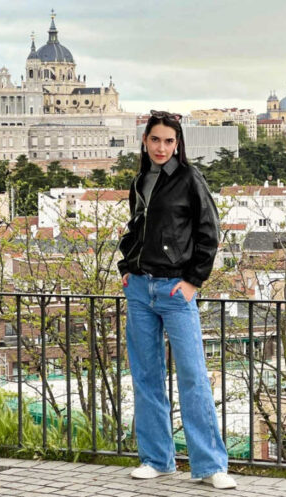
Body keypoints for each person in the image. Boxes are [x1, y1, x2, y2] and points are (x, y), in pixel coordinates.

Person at [117, 111, 236, 489]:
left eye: (169, 141)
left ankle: (211, 465)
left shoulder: (189, 179)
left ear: (178, 144)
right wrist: (126, 264)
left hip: (174, 291)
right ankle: (157, 459)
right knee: (146, 376)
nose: (162, 147)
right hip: (139, 289)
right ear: (145, 141)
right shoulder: (141, 180)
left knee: (193, 376)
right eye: (156, 140)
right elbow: (137, 227)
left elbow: (209, 232)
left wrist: (193, 282)